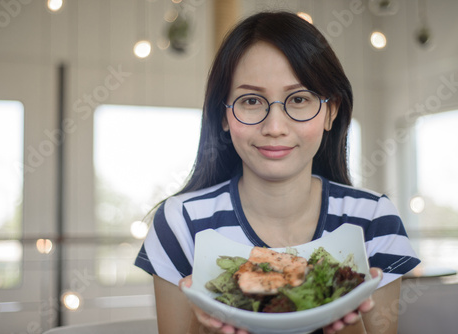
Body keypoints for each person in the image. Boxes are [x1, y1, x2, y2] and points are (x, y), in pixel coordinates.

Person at [135, 11, 420, 334]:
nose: (274, 127)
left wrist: (342, 323)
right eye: (251, 100)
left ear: (331, 111)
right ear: (224, 116)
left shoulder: (374, 220)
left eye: (298, 99)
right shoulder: (179, 224)